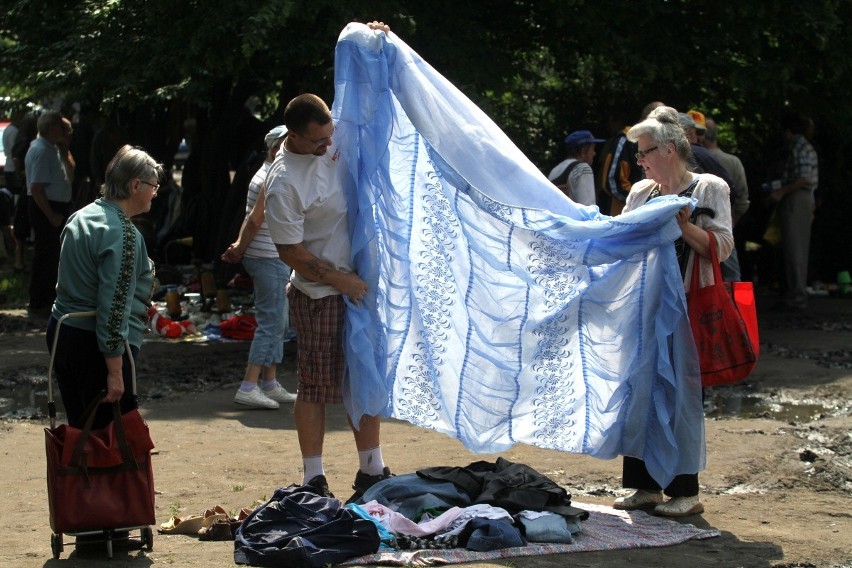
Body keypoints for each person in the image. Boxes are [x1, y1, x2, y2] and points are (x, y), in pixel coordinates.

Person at [264, 84, 393, 497]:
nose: (328, 145)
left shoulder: (330, 137)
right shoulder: (284, 183)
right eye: (318, 140)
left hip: (357, 287)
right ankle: (313, 479)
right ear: (295, 135)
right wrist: (341, 280)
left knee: (364, 377)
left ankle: (372, 470)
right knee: (316, 386)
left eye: (329, 135)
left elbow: (365, 88)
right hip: (319, 296)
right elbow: (290, 252)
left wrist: (372, 41)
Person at [615, 105, 733, 517]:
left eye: (644, 152)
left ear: (668, 150)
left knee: (682, 394)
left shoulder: (708, 187)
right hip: (645, 307)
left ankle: (685, 490)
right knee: (642, 392)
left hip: (688, 306)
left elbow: (722, 245)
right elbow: (621, 240)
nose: (639, 161)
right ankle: (644, 486)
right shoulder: (640, 193)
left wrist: (684, 227)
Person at [47, 145, 163, 430]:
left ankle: (81, 476)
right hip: (95, 347)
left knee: (81, 432)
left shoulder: (82, 216)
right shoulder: (122, 233)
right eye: (153, 186)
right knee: (107, 441)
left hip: (63, 333)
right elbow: (113, 307)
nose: (156, 193)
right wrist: (115, 371)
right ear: (135, 185)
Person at [221, 124, 298, 409]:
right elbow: (253, 220)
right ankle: (249, 384)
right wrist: (239, 249)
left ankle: (269, 381)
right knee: (271, 322)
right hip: (267, 257)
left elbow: (250, 219)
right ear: (277, 147)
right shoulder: (270, 175)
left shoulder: (267, 173)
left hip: (269, 256)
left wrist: (240, 247)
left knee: (279, 320)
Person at [25, 111, 74, 316]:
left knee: (53, 255)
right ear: (53, 128)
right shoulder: (41, 150)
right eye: (62, 129)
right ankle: (38, 302)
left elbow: (70, 171)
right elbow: (37, 188)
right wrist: (51, 214)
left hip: (55, 206)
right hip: (47, 208)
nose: (66, 133)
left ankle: (48, 299)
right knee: (45, 254)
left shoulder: (52, 148)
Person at [767, 111, 818, 310]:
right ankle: (795, 293)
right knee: (794, 248)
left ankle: (797, 296)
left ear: (788, 131)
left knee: (795, 249)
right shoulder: (803, 146)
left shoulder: (798, 147)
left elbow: (805, 179)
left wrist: (781, 192)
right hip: (800, 198)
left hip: (797, 199)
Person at [596, 112, 644, 216]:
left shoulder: (653, 144)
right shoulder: (625, 141)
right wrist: (640, 201)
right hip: (619, 215)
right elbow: (613, 182)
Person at [547, 129, 603, 206]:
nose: (594, 153)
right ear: (583, 151)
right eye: (592, 149)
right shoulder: (582, 168)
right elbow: (588, 208)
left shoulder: (554, 170)